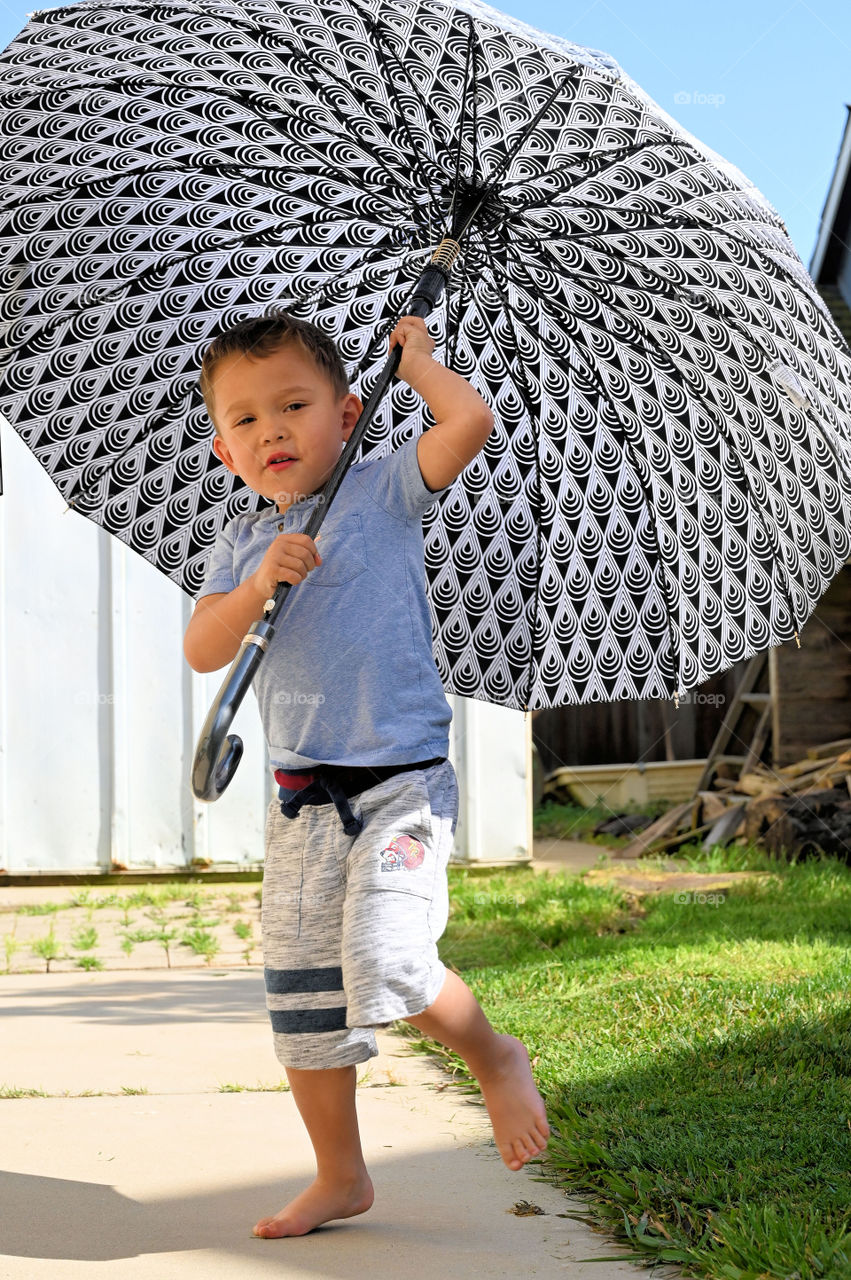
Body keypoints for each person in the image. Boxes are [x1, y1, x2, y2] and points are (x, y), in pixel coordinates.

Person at [184, 308, 550, 1240]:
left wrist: (418, 364)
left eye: (294, 405)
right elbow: (200, 648)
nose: (271, 430)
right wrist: (259, 582)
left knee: (387, 960)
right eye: (245, 419)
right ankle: (341, 1177)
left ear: (346, 417)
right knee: (303, 1001)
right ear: (226, 450)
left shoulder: (384, 489)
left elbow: (466, 429)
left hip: (399, 786)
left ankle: (493, 1054)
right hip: (302, 800)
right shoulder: (243, 547)